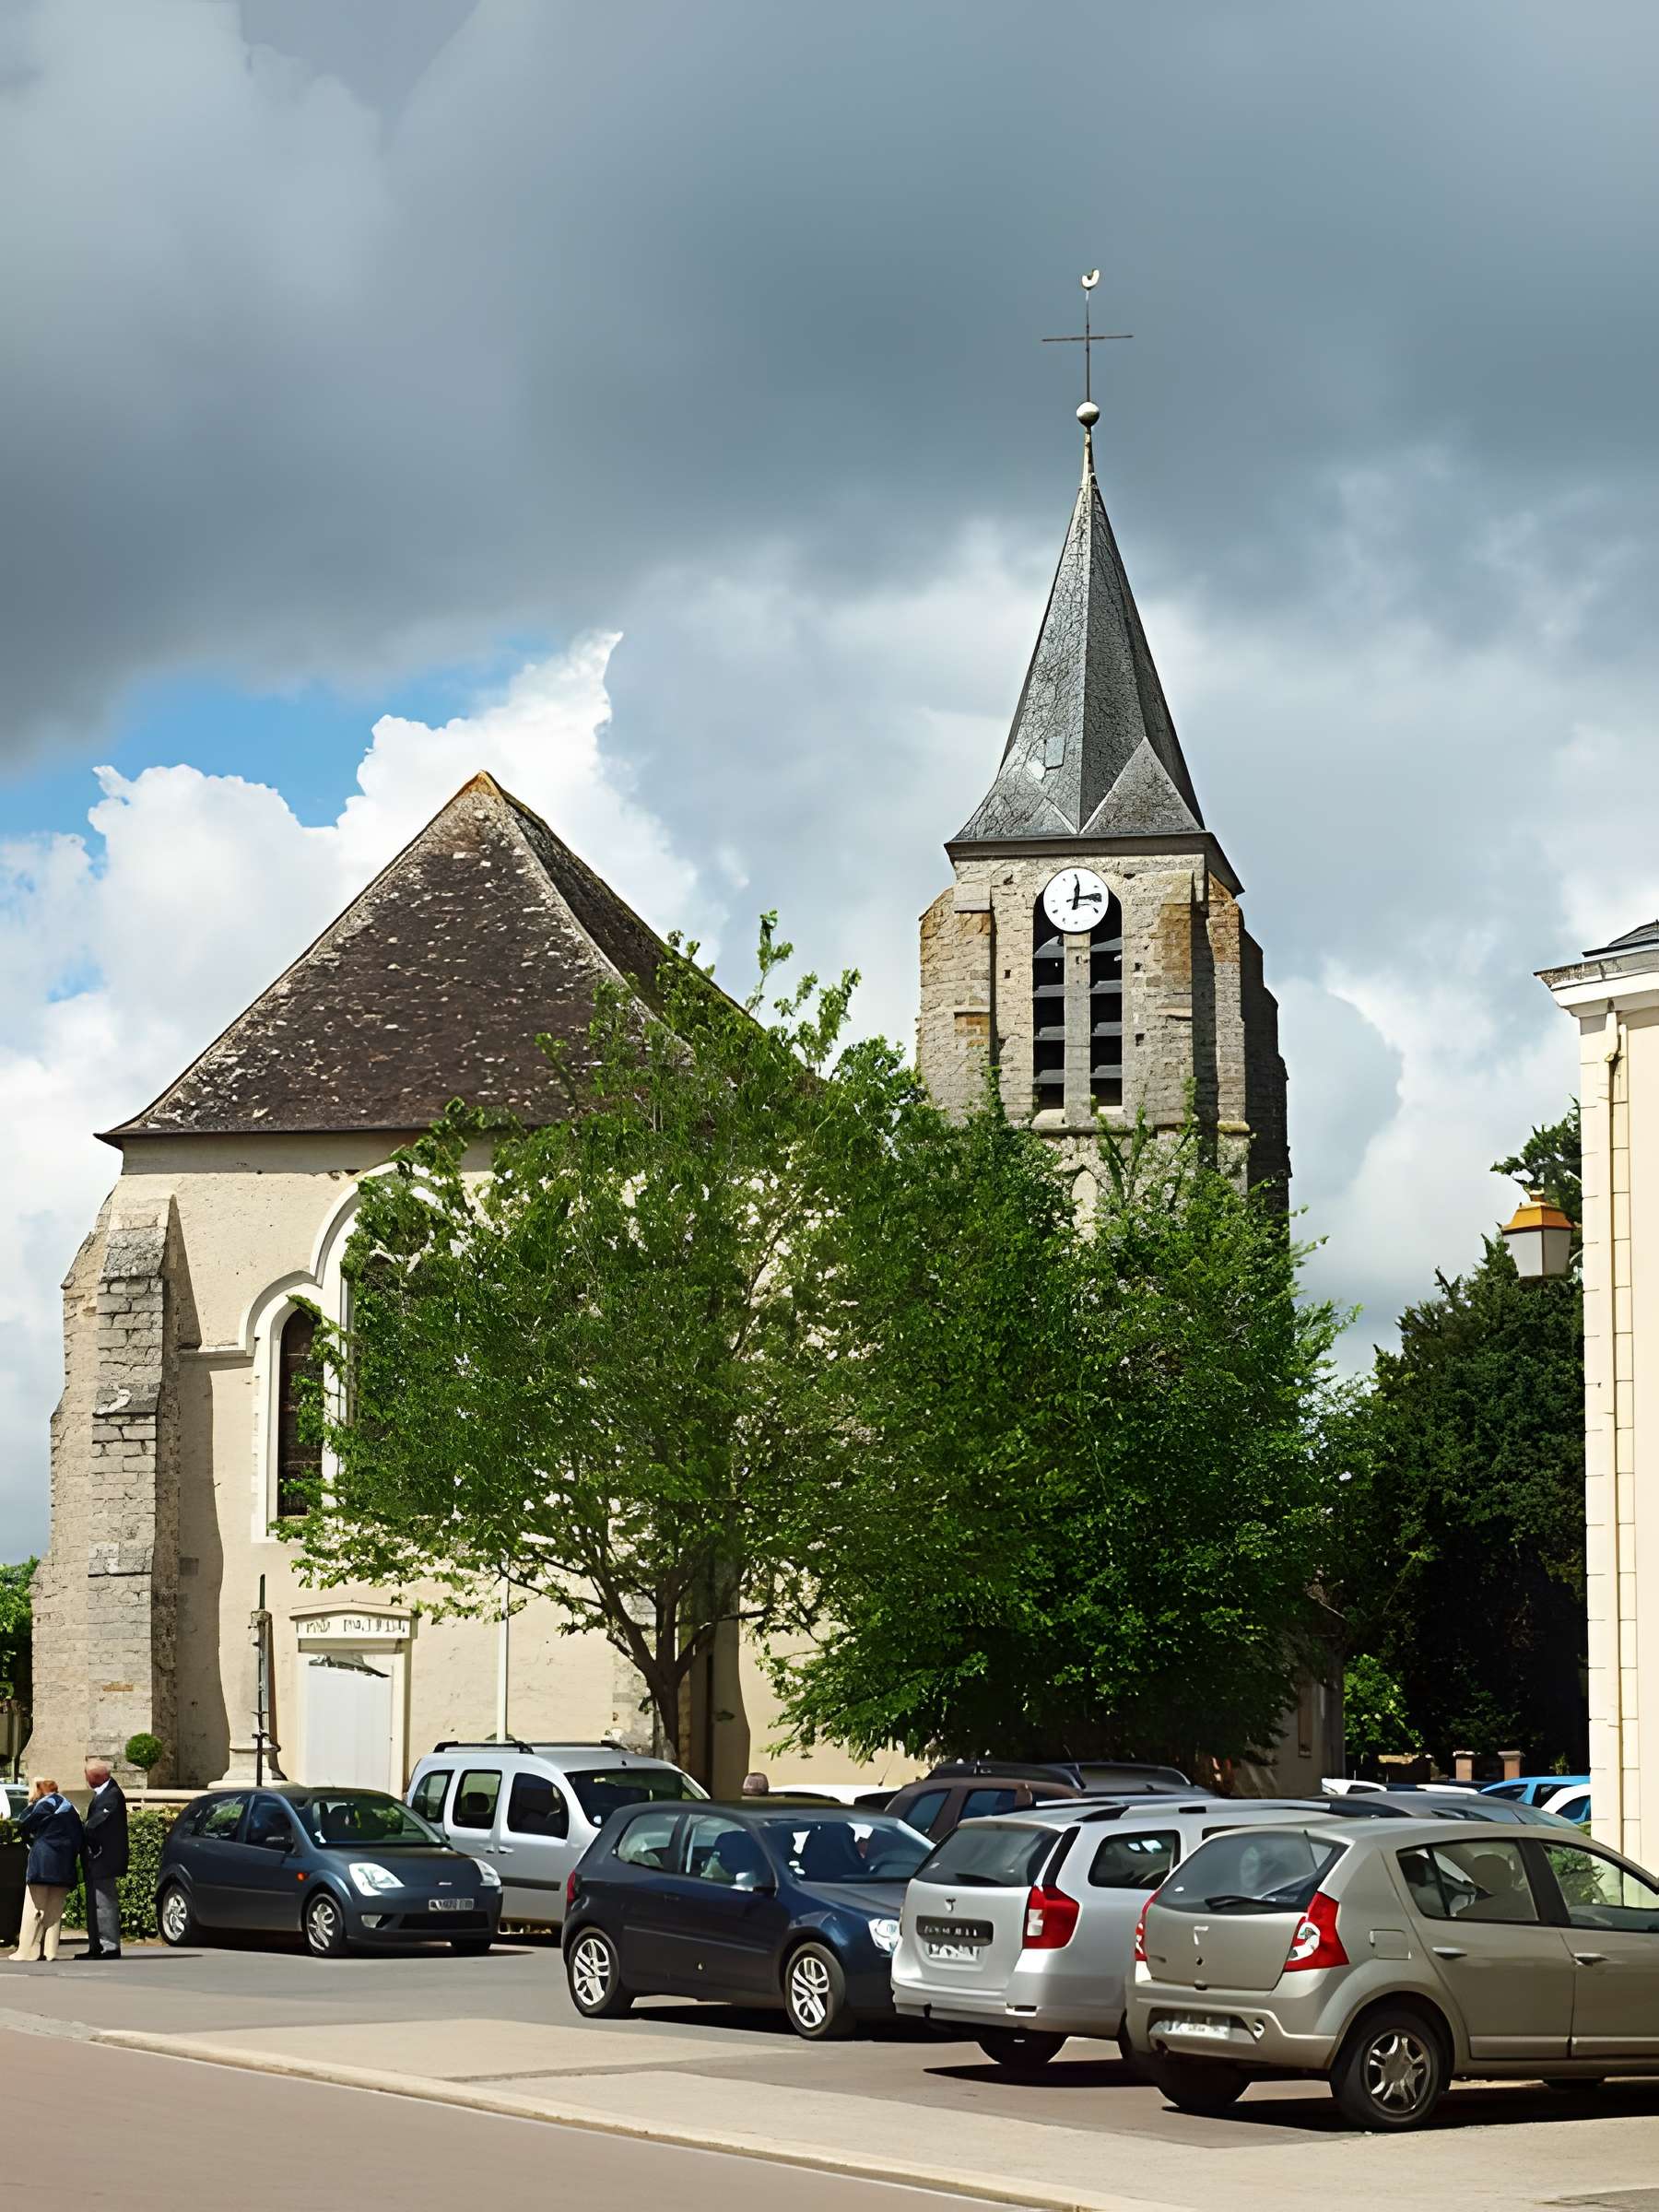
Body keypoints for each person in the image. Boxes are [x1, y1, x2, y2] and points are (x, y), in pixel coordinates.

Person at [10, 1779, 84, 1963]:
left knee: (34, 1908)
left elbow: (23, 1825)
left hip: (42, 1862)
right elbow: (80, 1837)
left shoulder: (43, 1805)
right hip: (64, 1864)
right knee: (54, 1910)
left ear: (38, 1792)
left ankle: (27, 1951)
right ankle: (50, 1951)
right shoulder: (71, 1808)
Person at [78, 1756, 128, 1961]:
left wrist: (81, 1828)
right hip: (96, 1859)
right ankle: (96, 1946)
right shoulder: (103, 1793)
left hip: (104, 1859)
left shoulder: (112, 1795)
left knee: (104, 1903)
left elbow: (98, 1822)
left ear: (94, 1777)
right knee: (94, 1903)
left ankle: (110, 1946)